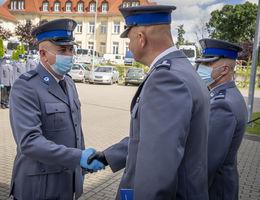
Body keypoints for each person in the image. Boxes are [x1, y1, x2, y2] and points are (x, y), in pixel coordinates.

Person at [88, 5, 210, 200]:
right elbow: (153, 138)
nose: (128, 46)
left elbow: (157, 167)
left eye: (128, 39)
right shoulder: (181, 70)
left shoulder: (166, 80)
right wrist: (110, 156)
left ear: (141, 39)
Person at [9, 18, 105, 200]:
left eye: (71, 50)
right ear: (43, 55)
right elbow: (29, 142)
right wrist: (78, 157)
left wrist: (82, 165)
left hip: (68, 181)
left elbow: (76, 128)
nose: (69, 55)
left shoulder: (68, 82)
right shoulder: (26, 87)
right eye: (62, 50)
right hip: (40, 186)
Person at [195, 38, 248, 200]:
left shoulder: (223, 104)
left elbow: (207, 161)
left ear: (224, 69)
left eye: (207, 65)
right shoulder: (224, 95)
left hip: (215, 191)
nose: (200, 68)